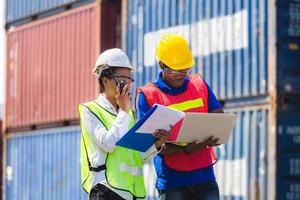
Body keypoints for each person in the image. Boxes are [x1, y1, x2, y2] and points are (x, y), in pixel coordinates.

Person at [136, 34, 224, 200]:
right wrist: (185, 149)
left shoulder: (199, 84)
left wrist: (216, 130)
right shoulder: (148, 95)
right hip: (173, 182)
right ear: (161, 64)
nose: (181, 74)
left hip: (205, 177)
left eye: (185, 69)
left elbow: (217, 113)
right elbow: (148, 145)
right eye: (176, 70)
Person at [78, 48, 170, 200]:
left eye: (129, 80)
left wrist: (156, 145)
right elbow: (108, 143)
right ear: (105, 80)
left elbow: (137, 155)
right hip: (106, 190)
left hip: (133, 193)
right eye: (121, 80)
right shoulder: (90, 110)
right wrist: (123, 111)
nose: (127, 85)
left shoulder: (128, 114)